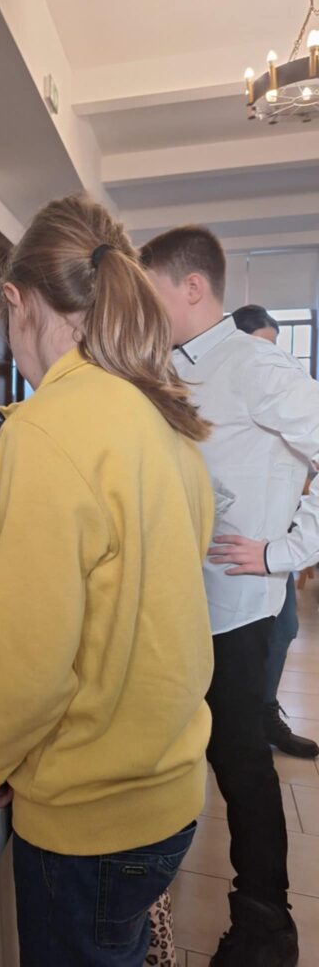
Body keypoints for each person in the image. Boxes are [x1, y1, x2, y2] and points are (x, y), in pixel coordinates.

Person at [0, 195, 215, 966]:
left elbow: (30, 657)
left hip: (90, 816)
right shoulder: (166, 420)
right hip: (170, 787)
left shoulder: (45, 426)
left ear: (16, 300)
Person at [141, 228, 319, 966]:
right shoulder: (167, 368)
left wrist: (285, 552)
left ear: (192, 287)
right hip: (178, 600)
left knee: (241, 765)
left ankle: (267, 927)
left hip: (236, 609)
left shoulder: (255, 365)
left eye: (150, 291)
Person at [231, 304, 318, 759]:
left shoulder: (284, 393)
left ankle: (261, 714)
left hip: (271, 542)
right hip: (228, 541)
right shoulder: (226, 386)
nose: (271, 360)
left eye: (275, 349)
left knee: (283, 628)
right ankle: (237, 724)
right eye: (261, 348)